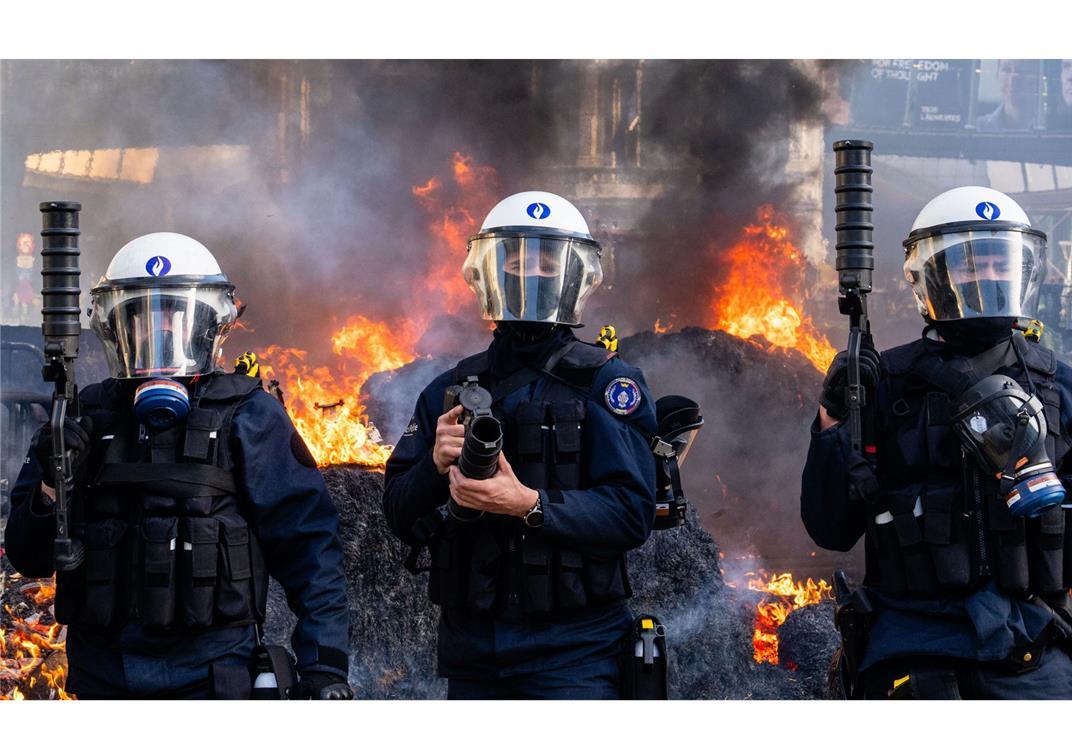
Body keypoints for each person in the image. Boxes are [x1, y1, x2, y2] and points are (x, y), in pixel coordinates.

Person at [802, 187, 1072, 699]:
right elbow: (830, 528)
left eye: (1001, 263)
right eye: (970, 264)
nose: (988, 277)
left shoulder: (1064, 391)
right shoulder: (884, 385)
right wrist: (832, 420)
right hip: (910, 655)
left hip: (1032, 661)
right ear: (932, 277)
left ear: (1024, 272)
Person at [4, 232, 352, 699]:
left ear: (208, 325)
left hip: (212, 682)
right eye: (142, 316)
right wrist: (52, 481)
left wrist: (324, 668)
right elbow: (27, 556)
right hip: (104, 682)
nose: (161, 329)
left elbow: (310, 548)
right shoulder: (81, 415)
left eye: (174, 314)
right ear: (117, 328)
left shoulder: (249, 415)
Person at [383, 191, 657, 699]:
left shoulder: (606, 384)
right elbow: (399, 515)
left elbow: (631, 513)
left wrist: (529, 506)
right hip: (473, 658)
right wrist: (434, 466)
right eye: (516, 257)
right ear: (489, 271)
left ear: (575, 273)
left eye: (548, 258)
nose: (532, 272)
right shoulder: (448, 389)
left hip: (576, 656)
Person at [976, 59, 1039, 132]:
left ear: (1036, 78)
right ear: (997, 75)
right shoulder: (979, 128)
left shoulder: (1047, 129)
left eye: (1021, 70)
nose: (1012, 79)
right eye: (1006, 69)